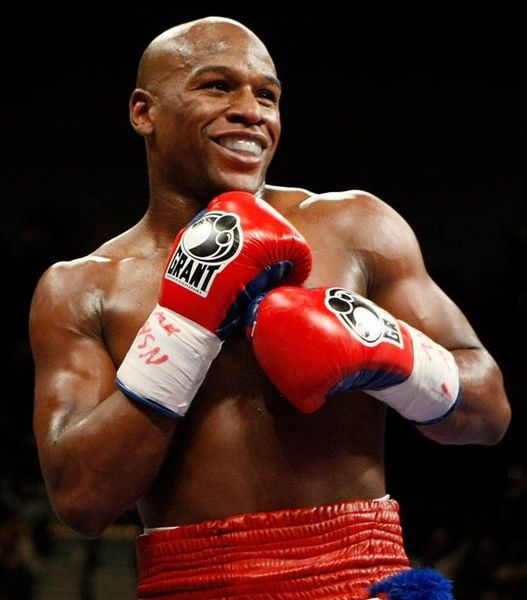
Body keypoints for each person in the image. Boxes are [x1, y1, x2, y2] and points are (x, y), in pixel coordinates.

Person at [29, 15, 511, 600]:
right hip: (192, 586)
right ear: (143, 112)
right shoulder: (83, 287)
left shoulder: (355, 228)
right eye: (217, 86)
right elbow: (81, 501)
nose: (250, 111)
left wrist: (394, 353)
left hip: (361, 577)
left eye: (267, 95)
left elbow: (489, 412)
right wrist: (184, 326)